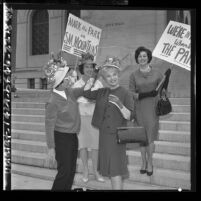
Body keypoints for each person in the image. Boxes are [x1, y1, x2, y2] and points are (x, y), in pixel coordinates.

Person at [82, 57, 134, 190]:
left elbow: (131, 116)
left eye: (114, 75)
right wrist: (94, 76)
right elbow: (86, 93)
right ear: (104, 79)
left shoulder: (125, 93)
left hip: (117, 137)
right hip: (104, 136)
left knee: (115, 169)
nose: (112, 78)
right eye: (108, 76)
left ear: (118, 75)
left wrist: (119, 103)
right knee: (111, 171)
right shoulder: (102, 92)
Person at [44, 52, 83, 191]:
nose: (69, 79)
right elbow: (49, 126)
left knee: (71, 171)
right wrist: (50, 148)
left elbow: (83, 90)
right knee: (64, 172)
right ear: (59, 82)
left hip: (72, 137)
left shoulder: (69, 92)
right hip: (61, 139)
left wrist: (90, 79)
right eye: (66, 77)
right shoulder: (52, 101)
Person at [129, 46, 163, 176]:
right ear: (137, 59)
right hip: (139, 109)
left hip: (153, 110)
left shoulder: (157, 73)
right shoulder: (133, 75)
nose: (142, 58)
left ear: (148, 57)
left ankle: (150, 163)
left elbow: (162, 90)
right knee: (141, 138)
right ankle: (143, 162)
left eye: (144, 56)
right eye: (139, 56)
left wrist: (166, 82)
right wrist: (147, 94)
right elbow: (131, 93)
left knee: (150, 138)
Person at [73, 53, 105, 183]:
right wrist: (86, 97)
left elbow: (102, 99)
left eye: (91, 66)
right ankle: (85, 170)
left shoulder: (98, 83)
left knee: (96, 146)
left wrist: (93, 99)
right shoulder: (77, 84)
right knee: (83, 146)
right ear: (82, 68)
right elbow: (75, 99)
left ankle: (96, 171)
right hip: (81, 117)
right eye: (86, 66)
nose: (89, 69)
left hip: (94, 118)